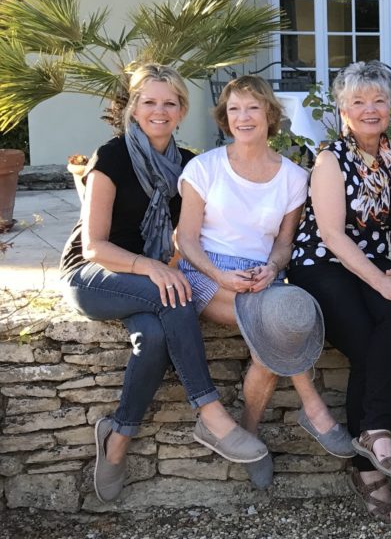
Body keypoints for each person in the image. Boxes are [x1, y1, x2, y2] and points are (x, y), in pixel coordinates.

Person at [58, 64, 267, 504]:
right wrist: (153, 267)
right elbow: (94, 245)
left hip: (147, 280)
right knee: (174, 293)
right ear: (134, 109)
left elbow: (186, 237)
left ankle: (117, 439)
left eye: (169, 102)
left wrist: (171, 265)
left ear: (181, 110)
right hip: (95, 275)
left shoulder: (189, 165)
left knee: (153, 336)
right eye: (149, 102)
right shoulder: (111, 157)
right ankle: (211, 413)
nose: (159, 110)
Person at [176, 76, 353, 491]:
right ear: (225, 117)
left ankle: (248, 434)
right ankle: (314, 409)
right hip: (206, 273)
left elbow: (283, 246)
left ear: (269, 115)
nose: (243, 117)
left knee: (280, 323)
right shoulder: (204, 168)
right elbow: (184, 241)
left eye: (252, 108)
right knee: (278, 323)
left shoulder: (293, 177)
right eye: (234, 109)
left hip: (261, 277)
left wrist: (272, 270)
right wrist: (220, 274)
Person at [289, 61, 391, 523]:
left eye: (379, 100)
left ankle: (370, 439)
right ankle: (372, 460)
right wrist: (382, 281)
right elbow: (332, 235)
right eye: (358, 102)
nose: (370, 109)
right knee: (369, 344)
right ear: (343, 110)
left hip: (374, 264)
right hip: (323, 264)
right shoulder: (331, 158)